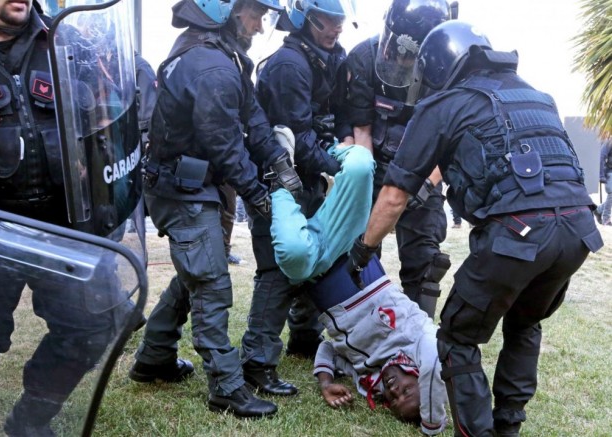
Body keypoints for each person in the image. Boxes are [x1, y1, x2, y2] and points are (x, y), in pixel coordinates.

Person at [346, 21, 604, 437]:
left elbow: (394, 196)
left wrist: (363, 249)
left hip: (518, 231)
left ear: (436, 68)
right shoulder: (538, 96)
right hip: (578, 229)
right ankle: (508, 428)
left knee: (456, 338)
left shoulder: (446, 104)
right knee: (525, 323)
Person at [128, 0, 301, 418]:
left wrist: (279, 161)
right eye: (256, 14)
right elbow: (225, 144)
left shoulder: (221, 56)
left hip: (188, 184)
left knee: (196, 271)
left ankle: (154, 357)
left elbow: (253, 120)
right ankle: (226, 386)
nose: (260, 25)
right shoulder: (213, 66)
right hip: (181, 189)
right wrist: (258, 195)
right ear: (228, 9)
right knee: (210, 283)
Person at [0, 0, 135, 434]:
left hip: (63, 225)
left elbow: (107, 120)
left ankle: (29, 424)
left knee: (94, 326)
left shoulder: (67, 41)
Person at [268, 143, 448, 435]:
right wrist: (432, 425)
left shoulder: (367, 374)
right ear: (420, 378)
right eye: (407, 391)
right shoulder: (419, 339)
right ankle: (317, 144)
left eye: (393, 401)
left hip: (312, 269)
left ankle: (280, 177)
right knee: (361, 164)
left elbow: (329, 348)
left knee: (292, 254)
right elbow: (435, 366)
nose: (395, 391)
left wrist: (326, 382)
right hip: (349, 241)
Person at [240, 0, 354, 376]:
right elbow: (298, 137)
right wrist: (343, 167)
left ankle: (305, 338)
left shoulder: (329, 58)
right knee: (277, 268)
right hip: (277, 178)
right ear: (307, 18)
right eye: (329, 20)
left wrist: (345, 144)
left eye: (340, 19)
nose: (337, 27)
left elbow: (340, 114)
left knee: (314, 256)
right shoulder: (289, 65)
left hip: (308, 175)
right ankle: (257, 361)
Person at [340, 0, 454, 319]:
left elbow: (451, 138)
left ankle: (418, 333)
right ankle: (359, 327)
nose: (402, 60)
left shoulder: (449, 71)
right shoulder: (363, 58)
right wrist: (365, 187)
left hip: (425, 171)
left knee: (425, 260)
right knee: (358, 250)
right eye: (398, 52)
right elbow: (362, 130)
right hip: (376, 163)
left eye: (410, 55)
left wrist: (426, 186)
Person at [595, 139, 612, 225]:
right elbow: (602, 156)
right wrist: (601, 175)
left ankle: (599, 210)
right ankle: (606, 218)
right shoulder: (610, 141)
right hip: (609, 172)